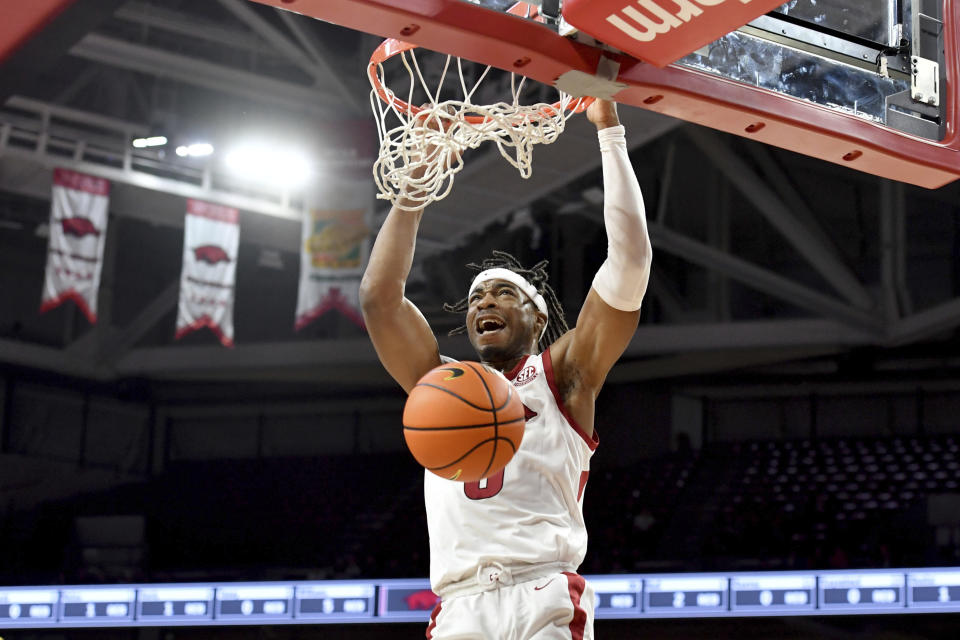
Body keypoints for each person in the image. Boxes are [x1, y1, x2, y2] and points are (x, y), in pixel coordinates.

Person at [359, 98, 651, 639]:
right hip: (460, 605)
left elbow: (630, 263)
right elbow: (380, 298)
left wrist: (609, 131)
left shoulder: (565, 374)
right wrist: (416, 186)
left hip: (540, 591)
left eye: (501, 293)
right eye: (475, 298)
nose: (483, 303)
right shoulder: (439, 384)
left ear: (538, 315)